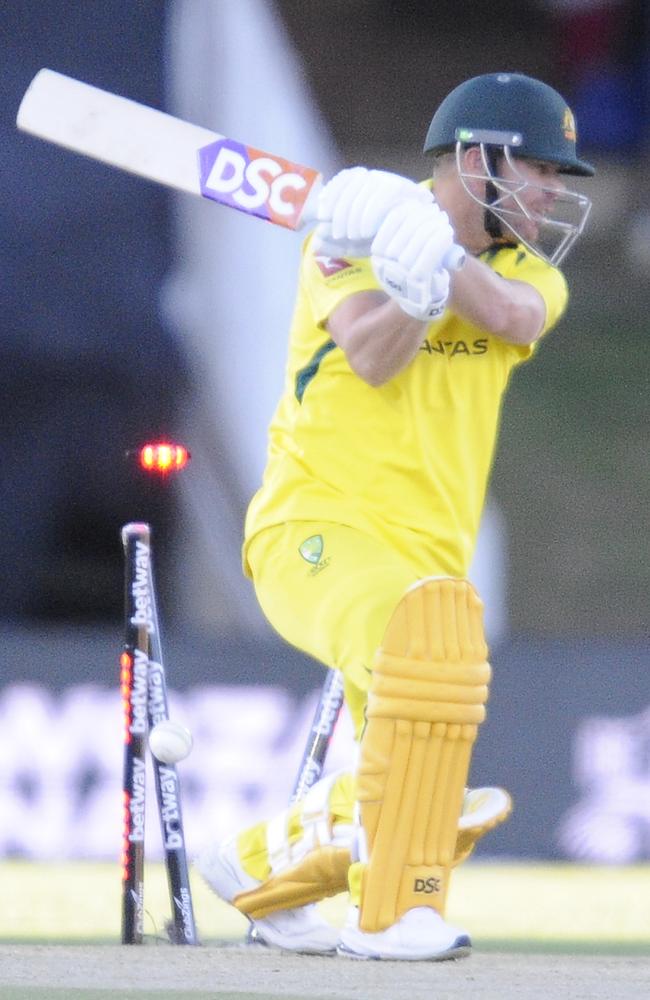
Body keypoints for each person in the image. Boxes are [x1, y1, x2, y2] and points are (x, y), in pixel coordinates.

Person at [196, 71, 594, 961]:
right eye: (542, 170)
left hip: (430, 561)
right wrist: (412, 287)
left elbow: (512, 316)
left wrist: (436, 259)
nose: (555, 194)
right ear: (477, 159)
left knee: (422, 733)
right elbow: (373, 358)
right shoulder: (343, 240)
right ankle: (392, 915)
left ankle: (255, 865)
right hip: (314, 531)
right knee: (423, 673)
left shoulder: (527, 273)